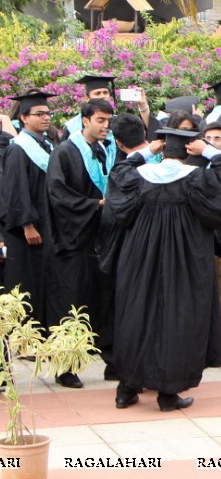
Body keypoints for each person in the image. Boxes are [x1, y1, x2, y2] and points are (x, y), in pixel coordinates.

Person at [106, 126, 221, 410]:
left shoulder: (138, 178)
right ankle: (168, 393)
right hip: (185, 260)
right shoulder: (197, 179)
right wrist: (207, 150)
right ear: (188, 150)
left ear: (162, 148)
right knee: (177, 317)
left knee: (137, 314)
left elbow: (119, 173)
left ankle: (126, 389)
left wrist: (147, 150)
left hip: (140, 259)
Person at [44, 98, 117, 387]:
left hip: (100, 237)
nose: (105, 126)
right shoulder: (65, 152)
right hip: (72, 239)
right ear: (85, 120)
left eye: (108, 121)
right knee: (70, 302)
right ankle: (66, 368)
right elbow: (57, 194)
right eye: (100, 120)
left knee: (105, 298)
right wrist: (94, 204)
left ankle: (113, 361)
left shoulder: (103, 150)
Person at [2, 91, 58, 335]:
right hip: (31, 228)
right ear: (24, 118)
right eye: (39, 114)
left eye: (47, 113)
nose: (46, 118)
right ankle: (28, 336)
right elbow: (16, 190)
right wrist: (27, 224)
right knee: (29, 281)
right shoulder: (18, 149)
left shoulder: (46, 145)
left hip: (49, 223)